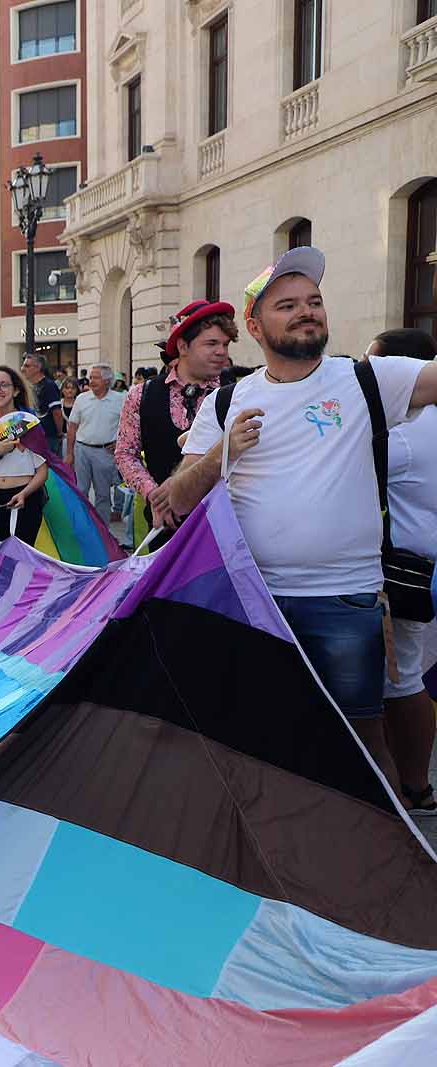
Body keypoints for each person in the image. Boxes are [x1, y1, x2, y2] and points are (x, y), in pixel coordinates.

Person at [165, 247, 437, 787]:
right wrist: (226, 452)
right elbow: (174, 501)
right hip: (253, 602)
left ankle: (374, 851)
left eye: (313, 301)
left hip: (346, 601)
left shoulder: (366, 380)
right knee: (261, 740)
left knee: (360, 743)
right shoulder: (225, 403)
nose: (305, 311)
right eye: (286, 304)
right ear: (255, 325)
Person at [363, 328, 437, 815]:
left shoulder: (403, 432)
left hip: (406, 572)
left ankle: (410, 787)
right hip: (427, 570)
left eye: (374, 367)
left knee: (401, 678)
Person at [116, 300, 234, 531]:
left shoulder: (239, 393)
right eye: (211, 343)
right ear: (183, 347)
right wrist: (155, 494)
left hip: (226, 523)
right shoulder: (141, 394)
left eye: (225, 344)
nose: (222, 352)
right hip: (165, 524)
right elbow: (125, 454)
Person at [0, 365, 47, 545]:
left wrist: (24, 494)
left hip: (26, 497)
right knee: (2, 558)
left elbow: (43, 471)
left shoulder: (28, 422)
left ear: (16, 390)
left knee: (23, 557)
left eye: (4, 385)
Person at [64, 364, 126, 520]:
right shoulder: (81, 398)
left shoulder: (120, 400)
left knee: (103, 494)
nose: (91, 381)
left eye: (96, 378)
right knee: (81, 491)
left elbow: (128, 425)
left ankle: (103, 532)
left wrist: (119, 442)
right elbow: (72, 427)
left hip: (105, 453)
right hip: (82, 451)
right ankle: (82, 527)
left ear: (107, 381)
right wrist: (69, 454)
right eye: (91, 377)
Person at [21, 354, 64, 451]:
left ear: (38, 367)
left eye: (27, 366)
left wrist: (59, 433)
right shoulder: (28, 386)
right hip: (32, 436)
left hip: (48, 437)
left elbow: (57, 413)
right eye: (23, 365)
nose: (22, 369)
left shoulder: (49, 386)